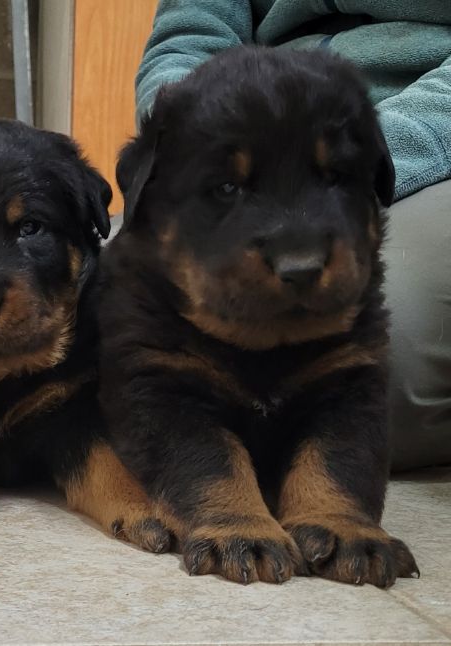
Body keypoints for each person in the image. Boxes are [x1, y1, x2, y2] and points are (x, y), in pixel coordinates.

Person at [134, 1, 451, 471]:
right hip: (249, 121)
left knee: (383, 375)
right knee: (107, 320)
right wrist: (195, 137)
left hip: (423, 129)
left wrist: (358, 160)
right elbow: (191, 32)